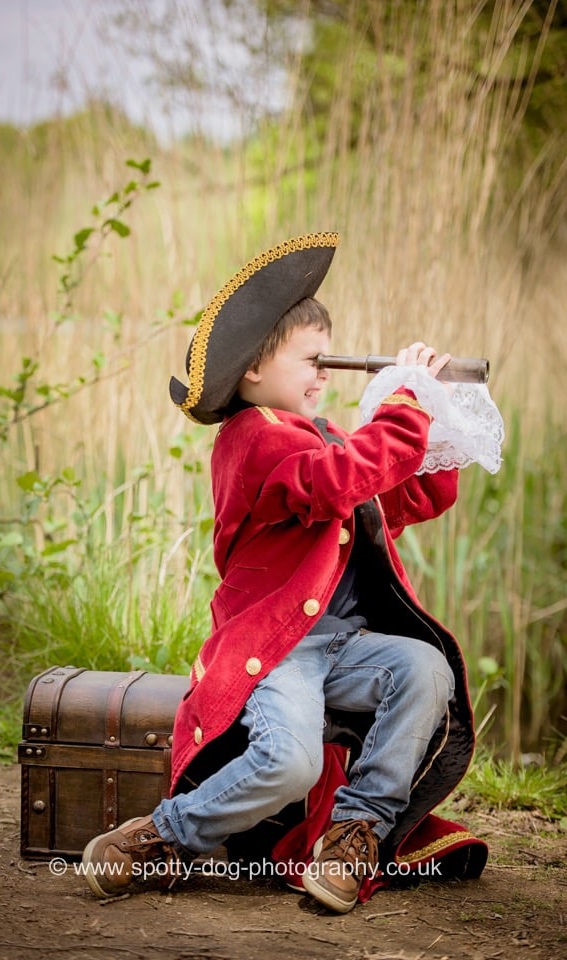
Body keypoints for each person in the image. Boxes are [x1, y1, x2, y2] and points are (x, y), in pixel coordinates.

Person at [82, 232, 504, 913]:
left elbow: (406, 496)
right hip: (274, 652)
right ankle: (161, 837)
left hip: (340, 648)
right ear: (252, 369)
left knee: (422, 667)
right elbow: (339, 482)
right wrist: (403, 404)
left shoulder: (323, 437)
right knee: (289, 763)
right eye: (312, 360)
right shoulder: (252, 441)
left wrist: (435, 420)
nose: (323, 376)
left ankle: (353, 831)